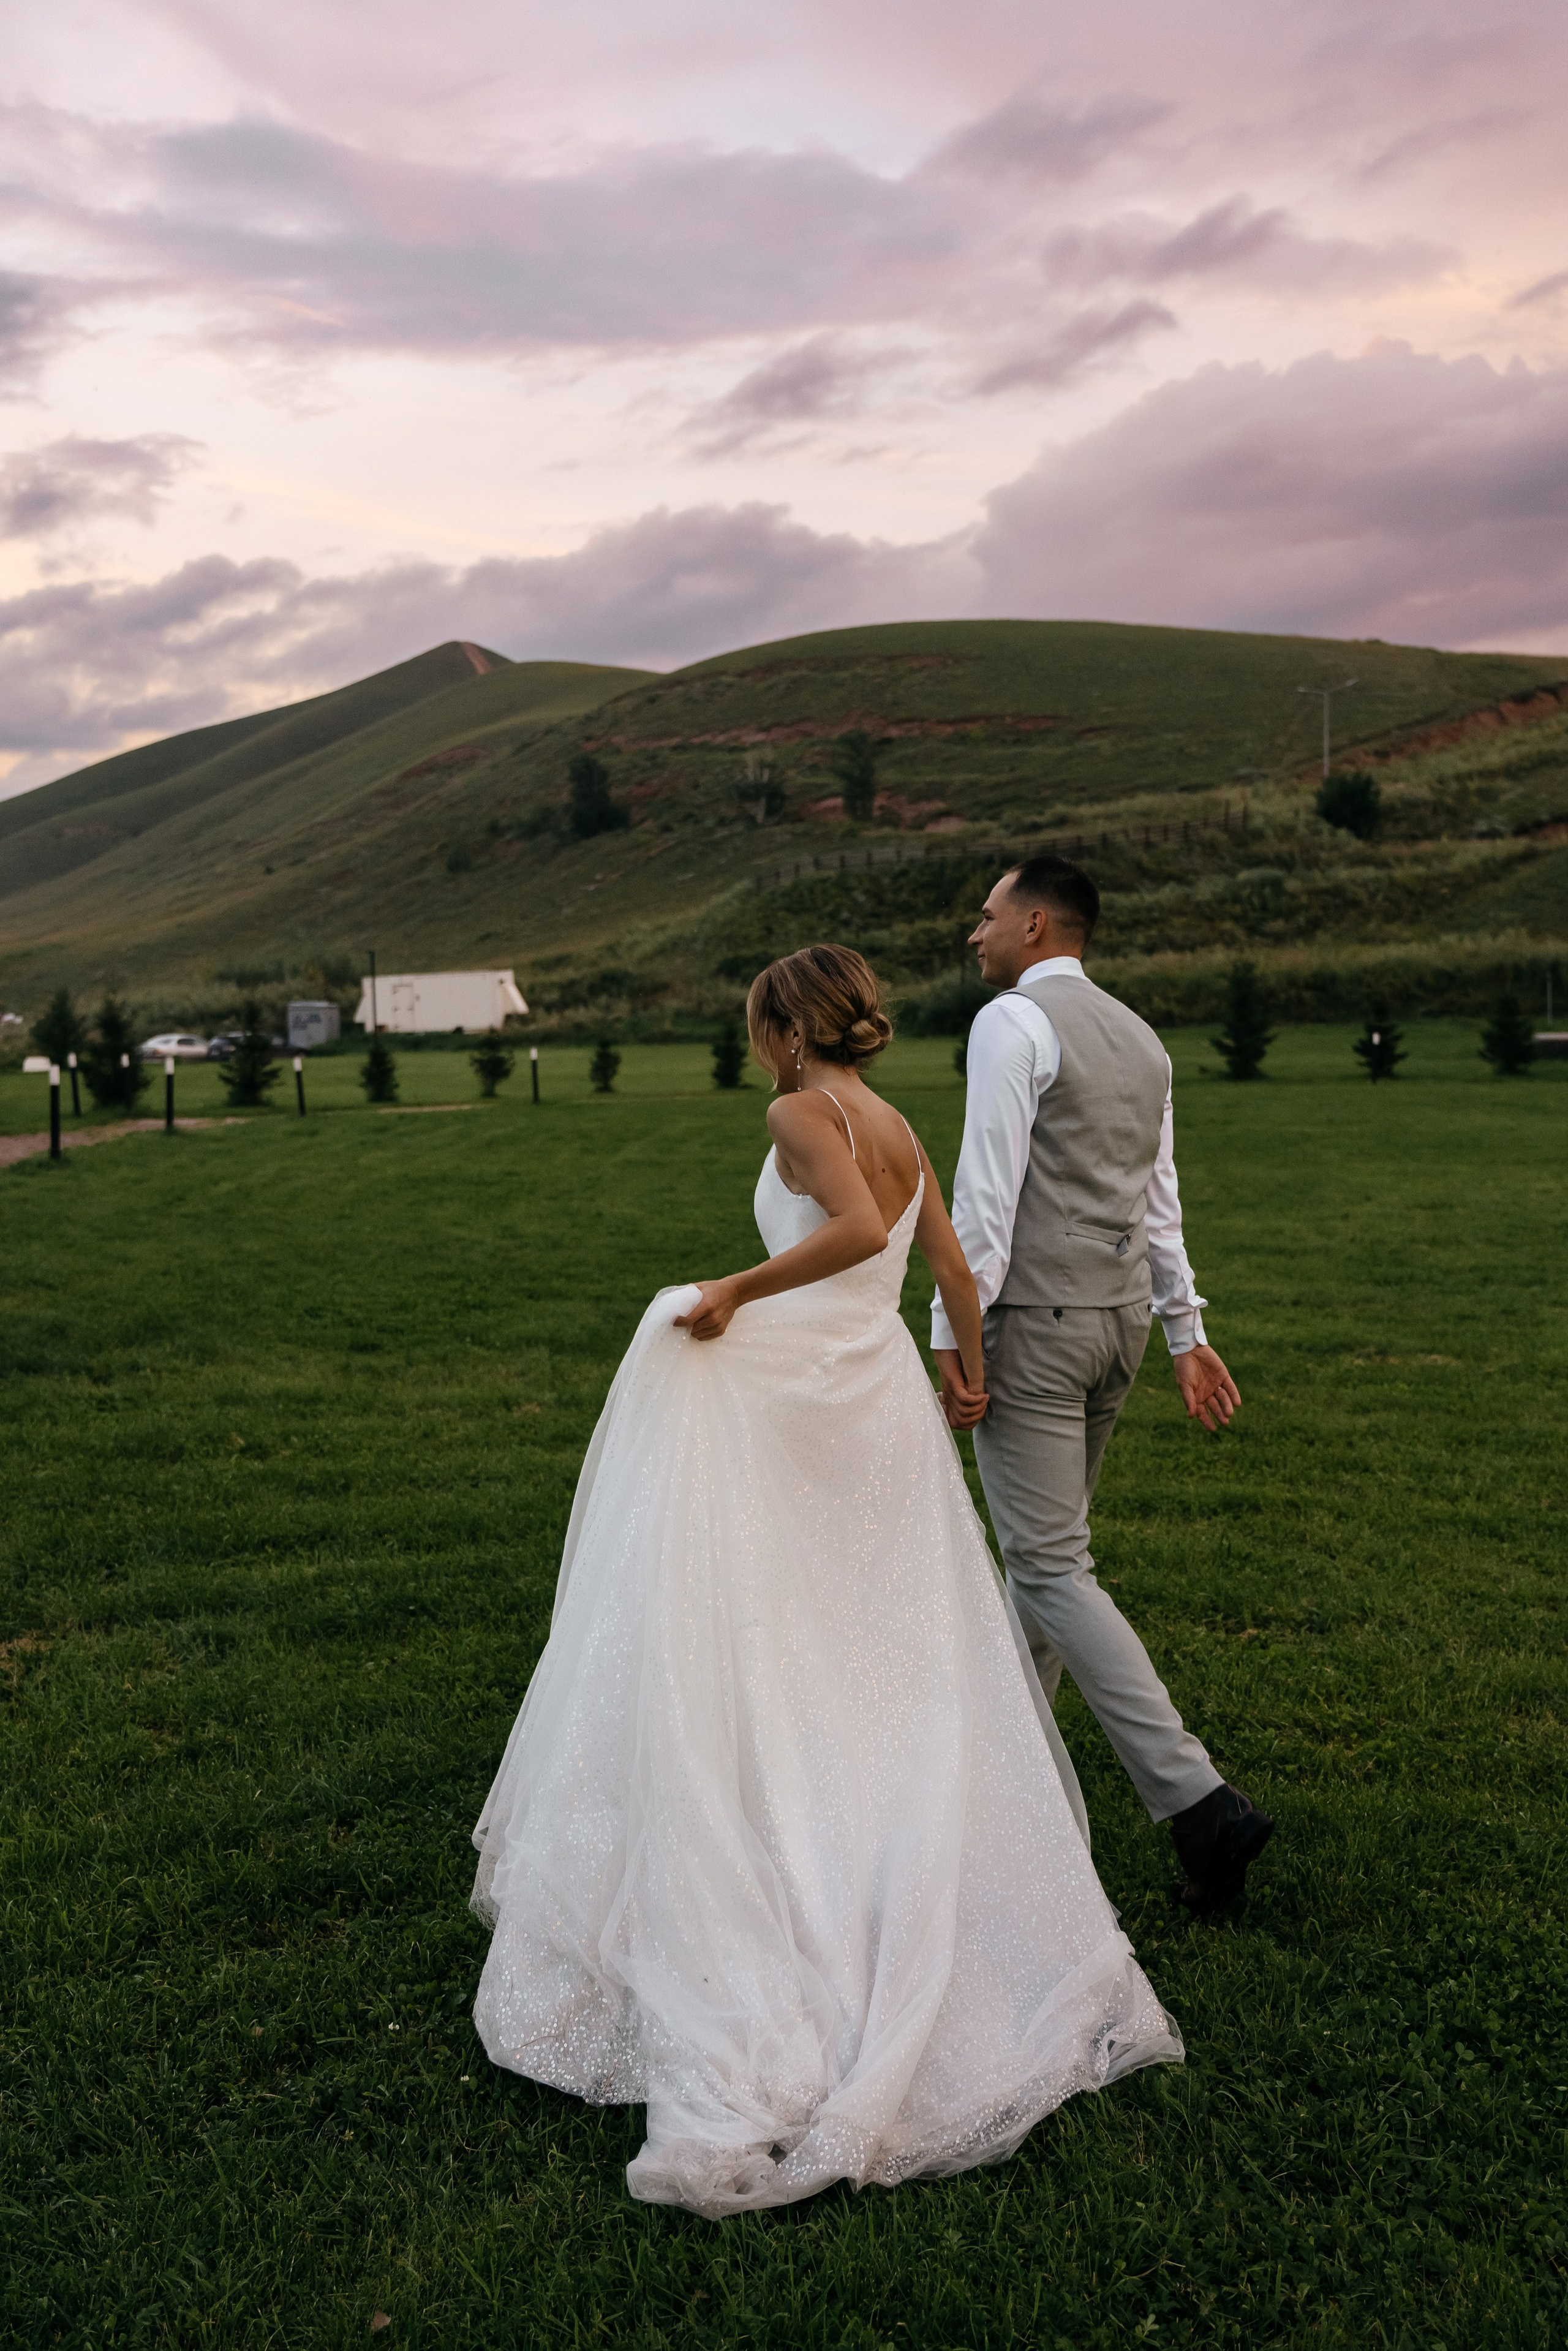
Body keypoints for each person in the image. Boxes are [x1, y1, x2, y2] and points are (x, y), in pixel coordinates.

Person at [470, 945, 1182, 2219]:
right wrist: (965, 1370)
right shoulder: (898, 1121)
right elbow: (950, 1267)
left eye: (761, 1025)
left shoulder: (800, 1110)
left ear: (788, 1030)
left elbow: (854, 1228)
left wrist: (732, 1291)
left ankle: (794, 1875)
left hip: (808, 1393)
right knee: (870, 1636)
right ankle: (867, 1848)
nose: (760, 1046)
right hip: (882, 1397)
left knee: (777, 1615)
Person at [932, 857, 1274, 1916]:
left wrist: (953, 1335)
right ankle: (1007, 1790)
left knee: (1048, 1564)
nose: (976, 934)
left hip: (1036, 1325)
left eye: (987, 916)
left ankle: (1199, 1800)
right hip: (1118, 1325)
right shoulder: (1144, 1039)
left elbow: (984, 1199)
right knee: (1044, 1571)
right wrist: (1184, 1331)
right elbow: (1158, 1202)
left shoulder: (1011, 1023)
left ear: (1036, 924)